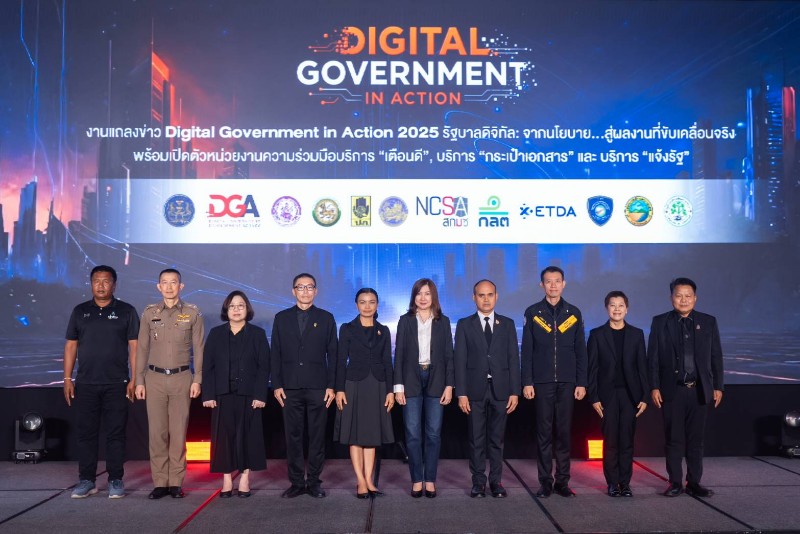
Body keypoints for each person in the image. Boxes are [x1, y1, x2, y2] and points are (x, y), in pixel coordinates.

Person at [63, 265, 139, 499]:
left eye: (106, 281)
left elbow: (135, 347)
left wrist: (135, 378)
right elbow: (71, 345)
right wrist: (67, 378)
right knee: (86, 434)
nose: (101, 285)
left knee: (116, 434)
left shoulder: (127, 311)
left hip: (117, 383)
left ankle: (115, 479)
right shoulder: (80, 311)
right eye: (97, 281)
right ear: (91, 284)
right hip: (86, 383)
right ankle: (87, 480)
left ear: (114, 285)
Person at [648, 277, 724, 498]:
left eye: (688, 296)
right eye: (679, 295)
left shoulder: (708, 322)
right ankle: (675, 482)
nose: (683, 300)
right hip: (672, 390)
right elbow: (652, 358)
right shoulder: (660, 322)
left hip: (699, 390)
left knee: (696, 440)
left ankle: (694, 482)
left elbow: (716, 356)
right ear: (671, 297)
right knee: (673, 439)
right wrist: (654, 386)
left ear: (695, 298)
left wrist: (718, 386)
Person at [135, 269, 204, 499]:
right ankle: (160, 483)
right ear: (158, 286)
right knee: (157, 434)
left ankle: (175, 482)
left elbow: (199, 349)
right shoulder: (149, 313)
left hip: (181, 378)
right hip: (154, 379)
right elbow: (142, 349)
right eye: (164, 282)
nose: (169, 287)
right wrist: (139, 380)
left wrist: (197, 379)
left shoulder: (192, 313)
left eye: (173, 282)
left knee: (178, 432)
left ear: (181, 286)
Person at [521, 265, 587, 498]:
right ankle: (545, 482)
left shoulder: (574, 313)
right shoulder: (533, 313)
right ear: (542, 285)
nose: (553, 285)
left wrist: (581, 382)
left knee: (564, 433)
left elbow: (581, 351)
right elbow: (527, 351)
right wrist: (527, 382)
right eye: (548, 281)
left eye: (557, 281)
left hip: (568, 383)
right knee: (544, 433)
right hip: (542, 382)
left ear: (563, 284)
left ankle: (562, 481)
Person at [270, 273, 337, 498]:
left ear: (316, 291)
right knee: (293, 437)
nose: (305, 291)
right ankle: (297, 482)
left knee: (317, 436)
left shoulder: (326, 318)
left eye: (310, 287)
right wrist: (277, 384)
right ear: (293, 291)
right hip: (289, 387)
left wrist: (331, 385)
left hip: (319, 387)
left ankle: (315, 482)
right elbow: (275, 353)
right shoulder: (281, 318)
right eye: (301, 287)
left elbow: (334, 355)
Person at [455, 280, 521, 498]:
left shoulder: (508, 324)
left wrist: (515, 391)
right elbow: (459, 360)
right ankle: (478, 483)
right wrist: (461, 393)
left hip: (501, 390)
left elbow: (513, 359)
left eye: (490, 294)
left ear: (496, 296)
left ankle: (496, 482)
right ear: (474, 297)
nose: (486, 299)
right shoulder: (465, 324)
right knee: (476, 439)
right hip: (474, 390)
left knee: (497, 440)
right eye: (481, 295)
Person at [202, 291, 270, 498]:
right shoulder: (216, 333)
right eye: (232, 306)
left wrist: (260, 395)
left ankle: (245, 478)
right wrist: (208, 394)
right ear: (226, 309)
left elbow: (264, 367)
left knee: (247, 436)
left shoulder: (257, 334)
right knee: (224, 438)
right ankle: (226, 479)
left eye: (241, 305)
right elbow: (208, 366)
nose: (237, 309)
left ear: (247, 309)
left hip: (249, 395)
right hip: (222, 394)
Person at [394, 278, 454, 498]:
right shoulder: (405, 321)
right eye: (419, 293)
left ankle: (430, 480)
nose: (423, 298)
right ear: (414, 297)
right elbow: (399, 354)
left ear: (433, 296)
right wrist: (398, 387)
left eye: (427, 293)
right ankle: (416, 480)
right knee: (412, 434)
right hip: (411, 378)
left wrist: (449, 385)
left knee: (433, 434)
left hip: (436, 379)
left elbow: (449, 356)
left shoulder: (443, 321)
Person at [334, 288, 395, 498]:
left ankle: (369, 480)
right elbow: (340, 361)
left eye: (371, 302)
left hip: (377, 385)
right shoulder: (347, 329)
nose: (367, 306)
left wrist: (390, 391)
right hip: (354, 384)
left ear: (377, 305)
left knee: (371, 435)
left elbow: (388, 362)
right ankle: (360, 481)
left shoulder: (383, 330)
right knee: (355, 435)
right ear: (356, 304)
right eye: (363, 302)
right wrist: (339, 389)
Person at [587, 291, 648, 497]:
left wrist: (644, 397)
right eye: (612, 305)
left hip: (631, 395)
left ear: (627, 309)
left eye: (621, 305)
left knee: (627, 441)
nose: (617, 309)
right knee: (611, 441)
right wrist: (594, 397)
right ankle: (612, 483)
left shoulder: (636, 334)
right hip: (607, 395)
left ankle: (625, 483)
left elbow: (642, 367)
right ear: (607, 308)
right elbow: (592, 369)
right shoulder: (597, 334)